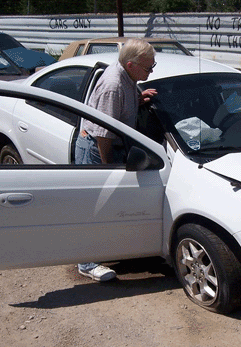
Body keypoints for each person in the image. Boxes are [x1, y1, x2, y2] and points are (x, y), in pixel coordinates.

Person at [74, 38, 158, 281]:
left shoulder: (128, 77)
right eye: (148, 68)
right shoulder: (113, 86)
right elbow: (103, 134)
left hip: (109, 143)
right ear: (131, 65)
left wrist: (138, 99)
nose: (151, 71)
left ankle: (106, 249)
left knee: (108, 205)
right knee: (94, 205)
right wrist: (108, 169)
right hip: (97, 148)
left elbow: (119, 109)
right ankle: (87, 262)